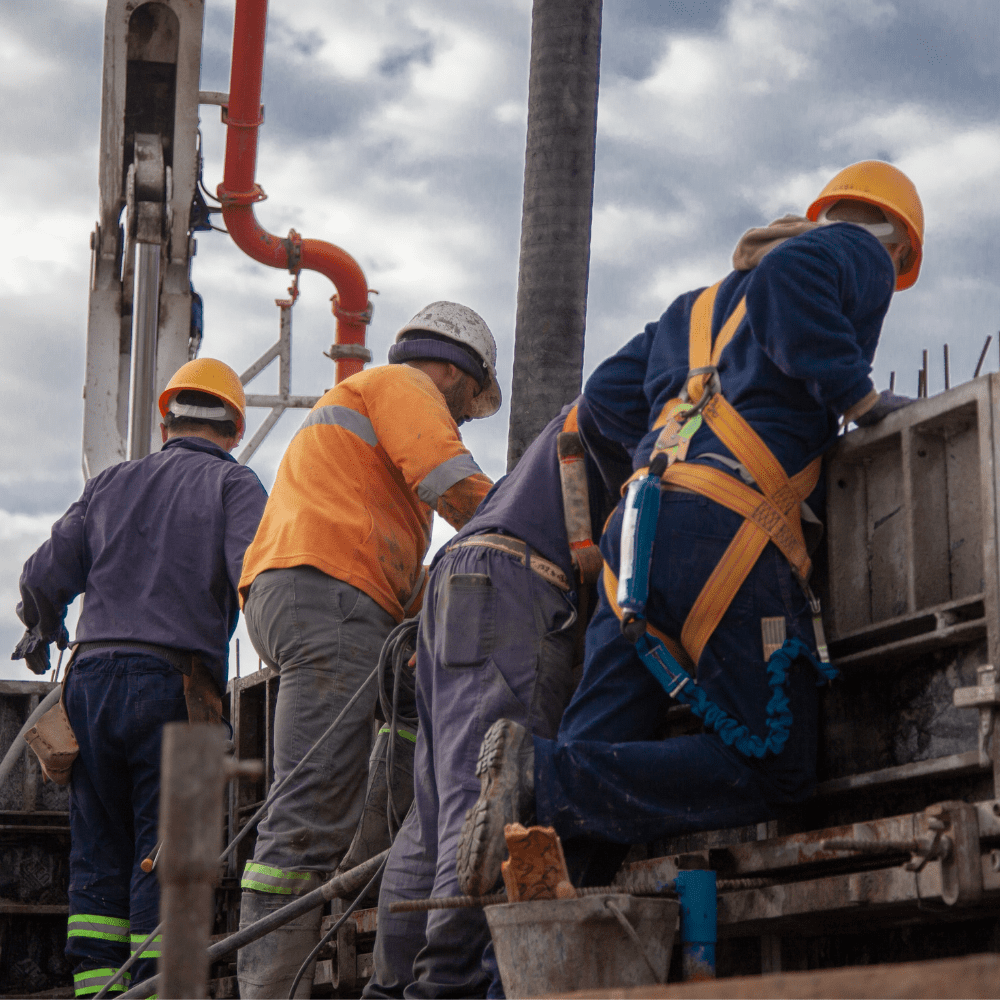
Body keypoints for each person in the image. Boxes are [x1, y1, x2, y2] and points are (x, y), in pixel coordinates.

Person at [457, 160, 924, 897]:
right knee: (777, 766)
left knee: (593, 763)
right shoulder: (860, 246)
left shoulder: (690, 312)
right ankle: (545, 775)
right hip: (726, 535)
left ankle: (524, 953)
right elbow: (790, 284)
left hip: (634, 539)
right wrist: (861, 403)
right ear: (897, 242)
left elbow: (602, 404)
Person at [236, 301, 501, 999]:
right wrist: (522, 529)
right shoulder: (405, 388)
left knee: (363, 775)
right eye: (469, 405)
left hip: (313, 595)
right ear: (453, 370)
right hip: (332, 600)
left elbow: (400, 565)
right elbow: (454, 483)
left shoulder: (363, 425)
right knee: (305, 821)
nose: (464, 419)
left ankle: (363, 880)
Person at [13, 359, 266, 998]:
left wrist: (43, 630)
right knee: (172, 858)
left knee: (99, 850)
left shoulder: (111, 484)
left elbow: (43, 575)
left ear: (166, 420)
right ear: (234, 428)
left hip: (90, 684)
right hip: (177, 689)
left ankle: (98, 990)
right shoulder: (235, 487)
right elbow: (256, 577)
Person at [364, 395, 631, 998]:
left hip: (454, 581)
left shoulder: (540, 462)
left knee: (431, 822)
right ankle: (444, 988)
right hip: (514, 586)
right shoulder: (666, 421)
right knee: (484, 805)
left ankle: (390, 990)